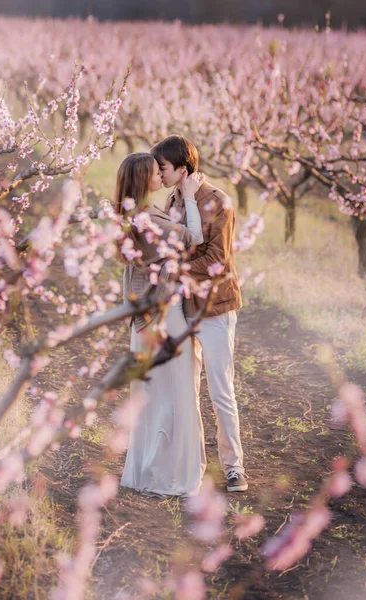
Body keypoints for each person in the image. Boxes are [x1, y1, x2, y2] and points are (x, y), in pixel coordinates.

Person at [151, 135, 248, 492]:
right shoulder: (174, 199)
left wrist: (174, 270)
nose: (158, 173)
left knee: (221, 389)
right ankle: (192, 464)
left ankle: (234, 467)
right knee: (185, 388)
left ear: (181, 167)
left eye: (162, 167)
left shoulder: (219, 203)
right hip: (182, 306)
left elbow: (216, 262)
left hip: (215, 307)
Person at [115, 152, 206, 497]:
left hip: (145, 319)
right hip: (163, 317)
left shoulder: (131, 214)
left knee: (150, 397)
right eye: (156, 172)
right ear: (144, 180)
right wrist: (193, 196)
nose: (160, 175)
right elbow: (194, 236)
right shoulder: (149, 217)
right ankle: (172, 475)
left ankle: (146, 471)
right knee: (180, 393)